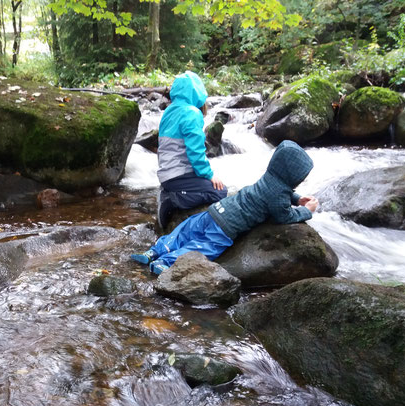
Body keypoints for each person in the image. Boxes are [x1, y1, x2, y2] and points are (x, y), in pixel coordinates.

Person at [132, 140, 319, 275]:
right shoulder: (278, 194)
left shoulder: (269, 178)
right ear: (292, 176)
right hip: (226, 226)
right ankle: (165, 263)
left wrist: (297, 198)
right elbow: (283, 216)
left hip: (217, 210)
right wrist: (306, 211)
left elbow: (277, 194)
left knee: (187, 230)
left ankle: (155, 250)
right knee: (202, 248)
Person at [156, 70, 227, 229]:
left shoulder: (169, 111)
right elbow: (195, 153)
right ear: (197, 92)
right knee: (220, 192)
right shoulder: (192, 113)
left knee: (213, 188)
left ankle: (170, 191)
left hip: (167, 173)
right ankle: (173, 199)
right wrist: (209, 175)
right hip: (178, 174)